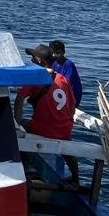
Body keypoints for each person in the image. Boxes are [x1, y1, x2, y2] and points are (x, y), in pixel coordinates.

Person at [14, 44, 79, 181]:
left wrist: (17, 121)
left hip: (44, 129)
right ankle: (76, 179)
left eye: (33, 57)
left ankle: (24, 167)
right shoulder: (63, 79)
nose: (31, 59)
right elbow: (72, 106)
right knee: (65, 142)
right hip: (65, 130)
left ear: (39, 60)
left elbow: (19, 99)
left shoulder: (35, 77)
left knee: (18, 128)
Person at [49, 40, 83, 109]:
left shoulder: (68, 64)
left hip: (70, 97)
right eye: (53, 53)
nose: (54, 55)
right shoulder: (53, 62)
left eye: (57, 53)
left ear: (63, 52)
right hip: (59, 93)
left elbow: (66, 83)